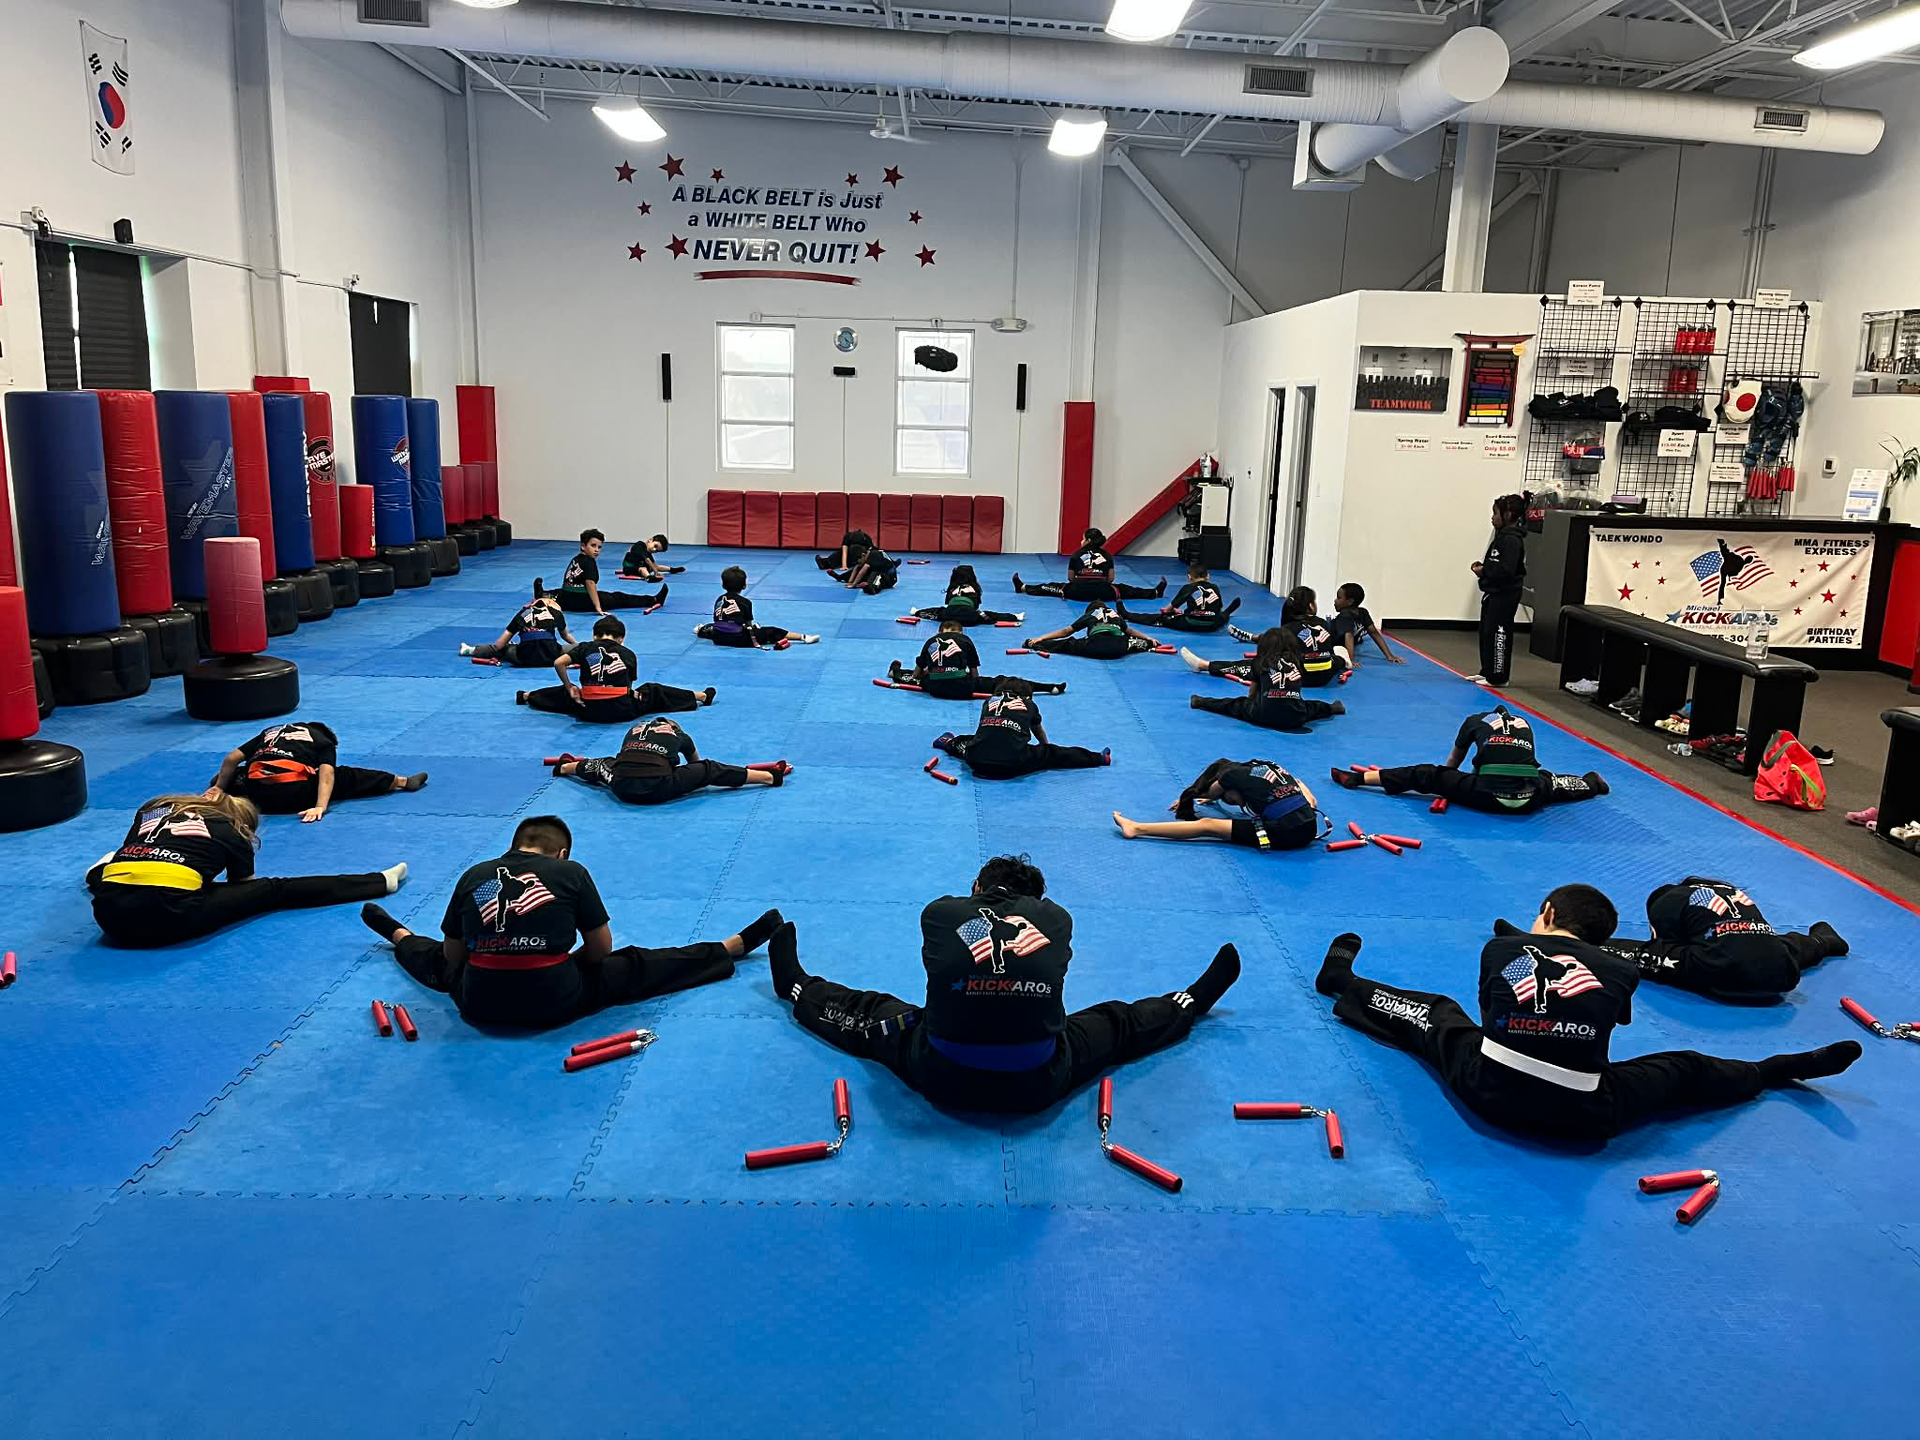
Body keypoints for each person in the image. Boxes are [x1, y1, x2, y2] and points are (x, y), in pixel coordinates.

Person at [1312, 887, 1862, 1145]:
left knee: (1434, 1015)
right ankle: (1773, 1071)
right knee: (1684, 1069)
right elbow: (1608, 1025)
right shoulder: (1623, 973)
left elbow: (1491, 1016)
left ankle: (1344, 983)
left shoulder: (1499, 953)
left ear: (1547, 914)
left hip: (1492, 1087)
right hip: (1585, 1112)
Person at [764, 854, 1242, 1114]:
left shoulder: (941, 912)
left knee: (873, 1015)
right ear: (1036, 899)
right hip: (1037, 1082)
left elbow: (959, 963)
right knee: (1116, 1024)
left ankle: (796, 986)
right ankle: (1190, 1004)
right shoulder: (1056, 918)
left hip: (942, 1074)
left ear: (976, 888)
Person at [360, 814, 782, 1032]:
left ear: (511, 850)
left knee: (439, 961)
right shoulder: (571, 872)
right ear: (560, 854)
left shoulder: (477, 875)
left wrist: (500, 950)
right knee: (635, 964)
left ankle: (397, 934)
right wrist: (563, 963)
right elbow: (601, 951)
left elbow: (455, 956)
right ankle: (729, 949)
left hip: (479, 1003)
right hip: (555, 999)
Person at [87, 792, 406, 948]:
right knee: (274, 890)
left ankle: (101, 867)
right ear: (242, 822)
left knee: (129, 868)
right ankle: (379, 882)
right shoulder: (232, 831)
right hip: (168, 919)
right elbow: (245, 888)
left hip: (108, 915)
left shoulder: (152, 810)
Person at [1597, 879, 1848, 1000]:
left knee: (1646, 954)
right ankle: (1822, 942)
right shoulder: (1725, 889)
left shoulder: (1665, 903)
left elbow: (1662, 946)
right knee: (1773, 946)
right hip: (1783, 971)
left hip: (1723, 971)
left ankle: (1580, 942)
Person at [1329, 704, 1606, 813]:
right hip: (1530, 796)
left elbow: (1451, 764)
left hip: (1488, 795)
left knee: (1426, 773)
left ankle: (1358, 778)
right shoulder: (1524, 722)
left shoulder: (1474, 722)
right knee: (1551, 780)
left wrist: (1443, 781)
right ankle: (1592, 782)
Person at [209, 721, 427, 824]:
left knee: (236, 773)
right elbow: (328, 775)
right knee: (345, 776)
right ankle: (402, 781)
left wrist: (219, 787)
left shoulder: (271, 731)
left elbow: (231, 758)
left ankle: (221, 790)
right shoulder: (322, 741)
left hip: (255, 798)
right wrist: (320, 807)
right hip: (294, 799)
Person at [551, 716, 789, 804]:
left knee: (601, 764)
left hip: (622, 785)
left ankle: (564, 767)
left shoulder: (634, 729)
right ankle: (770, 777)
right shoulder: (679, 735)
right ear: (673, 727)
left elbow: (625, 757)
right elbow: (695, 764)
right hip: (658, 786)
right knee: (710, 769)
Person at [518, 615, 714, 722]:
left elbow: (558, 662)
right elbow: (630, 686)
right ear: (621, 638)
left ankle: (527, 696)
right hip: (622, 710)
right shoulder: (627, 653)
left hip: (587, 711)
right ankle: (700, 696)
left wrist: (570, 686)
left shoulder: (585, 647)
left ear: (595, 635)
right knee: (654, 691)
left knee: (566, 693)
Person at [1112, 757, 1320, 852]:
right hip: (1310, 825)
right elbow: (1301, 785)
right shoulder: (1266, 766)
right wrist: (1212, 798)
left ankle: (1136, 828)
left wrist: (1195, 795)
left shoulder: (1230, 775)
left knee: (1209, 825)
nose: (1232, 804)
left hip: (1282, 834)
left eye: (1227, 799)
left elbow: (1213, 790)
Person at [935, 679, 1110, 779]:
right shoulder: (1028, 704)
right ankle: (1099, 758)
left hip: (977, 762)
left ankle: (948, 742)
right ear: (1027, 696)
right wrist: (1045, 748)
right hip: (1012, 765)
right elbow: (1038, 730)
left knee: (970, 741)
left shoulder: (988, 701)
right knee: (1057, 754)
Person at [1182, 627, 1345, 732]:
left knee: (1232, 705)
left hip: (1263, 715)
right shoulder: (1297, 663)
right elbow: (1295, 690)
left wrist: (1250, 704)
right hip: (1296, 718)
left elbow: (1252, 693)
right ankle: (1333, 708)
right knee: (1314, 706)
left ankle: (1201, 702)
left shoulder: (1260, 661)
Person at [889, 619, 1066, 701]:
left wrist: (924, 676)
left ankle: (895, 672)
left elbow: (917, 673)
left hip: (934, 688)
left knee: (921, 676)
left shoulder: (930, 641)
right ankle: (1050, 687)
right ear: (961, 633)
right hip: (962, 688)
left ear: (939, 631)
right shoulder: (965, 640)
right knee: (1005, 681)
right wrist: (973, 683)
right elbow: (974, 674)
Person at [1012, 529, 1165, 602]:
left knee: (1052, 587)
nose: (1080, 541)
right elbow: (1111, 579)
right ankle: (1155, 592)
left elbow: (1070, 578)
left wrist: (1085, 579)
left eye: (1082, 538)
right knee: (1126, 589)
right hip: (1104, 594)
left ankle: (1024, 587)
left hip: (1077, 592)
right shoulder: (1106, 555)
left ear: (1088, 541)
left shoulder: (1076, 554)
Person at [1471, 494, 1528, 685]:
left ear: (1508, 514)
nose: (1492, 518)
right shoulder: (1501, 537)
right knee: (1487, 631)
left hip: (1506, 594)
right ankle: (1487, 670)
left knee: (1499, 633)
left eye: (1496, 514)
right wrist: (1484, 569)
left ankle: (1498, 676)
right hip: (1494, 592)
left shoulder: (1512, 540)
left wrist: (1484, 571)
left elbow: (1506, 570)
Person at [540, 529, 667, 615]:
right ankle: (654, 599)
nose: (596, 550)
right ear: (583, 546)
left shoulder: (576, 559)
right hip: (582, 601)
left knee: (557, 592)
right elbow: (590, 584)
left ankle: (543, 594)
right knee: (620, 598)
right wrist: (598, 607)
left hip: (566, 599)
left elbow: (568, 581)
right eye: (593, 546)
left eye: (599, 547)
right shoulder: (589, 562)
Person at [696, 566, 820, 647]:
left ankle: (701, 629)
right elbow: (748, 625)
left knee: (713, 627)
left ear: (723, 585)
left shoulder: (719, 599)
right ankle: (803, 637)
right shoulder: (745, 602)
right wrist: (755, 629)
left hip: (718, 638)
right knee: (770, 631)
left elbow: (718, 619)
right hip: (738, 639)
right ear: (744, 586)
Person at [460, 593, 575, 667]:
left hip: (523, 658)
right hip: (552, 657)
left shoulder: (522, 614)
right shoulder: (556, 614)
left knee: (506, 648)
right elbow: (566, 636)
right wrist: (579, 647)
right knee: (576, 647)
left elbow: (498, 645)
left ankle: (470, 650)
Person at [1123, 561, 1239, 633]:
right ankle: (1228, 612)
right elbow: (1218, 608)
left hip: (1191, 622)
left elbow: (1168, 609)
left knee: (1160, 618)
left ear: (1189, 577)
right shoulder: (1215, 587)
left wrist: (1171, 611)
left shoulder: (1187, 588)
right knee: (1221, 616)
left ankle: (1127, 615)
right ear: (1207, 576)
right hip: (1211, 625)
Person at [1027, 599, 1158, 659]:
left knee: (1067, 643)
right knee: (1132, 641)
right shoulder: (1114, 613)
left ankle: (1034, 643)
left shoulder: (1092, 614)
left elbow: (1065, 632)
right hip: (1118, 648)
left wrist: (1041, 637)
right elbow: (1130, 631)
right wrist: (1148, 638)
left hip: (1094, 647)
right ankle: (1151, 645)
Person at [910, 564, 1023, 626]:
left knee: (936, 611)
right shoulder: (974, 588)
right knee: (990, 614)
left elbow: (947, 604)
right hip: (970, 618)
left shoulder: (952, 588)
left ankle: (916, 612)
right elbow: (976, 607)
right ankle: (1015, 617)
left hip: (949, 618)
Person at [1283, 589, 1349, 687]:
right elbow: (1329, 651)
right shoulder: (1323, 623)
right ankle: (1346, 662)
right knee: (1338, 655)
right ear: (1311, 606)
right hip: (1325, 675)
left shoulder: (1286, 628)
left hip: (1299, 677)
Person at [1328, 582, 1403, 668]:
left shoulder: (1363, 612)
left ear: (1350, 602)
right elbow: (1349, 636)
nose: (1335, 600)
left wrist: (1389, 655)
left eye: (1339, 598)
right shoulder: (1344, 615)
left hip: (1346, 641)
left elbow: (1373, 632)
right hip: (1334, 643)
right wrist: (1350, 660)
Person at [619, 533, 684, 581]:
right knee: (643, 568)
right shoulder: (640, 545)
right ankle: (649, 578)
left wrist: (656, 569)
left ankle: (672, 569)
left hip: (638, 565)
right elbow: (647, 560)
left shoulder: (648, 551)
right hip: (629, 568)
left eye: (657, 551)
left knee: (655, 566)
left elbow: (654, 565)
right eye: (655, 546)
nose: (654, 550)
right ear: (650, 540)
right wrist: (656, 572)